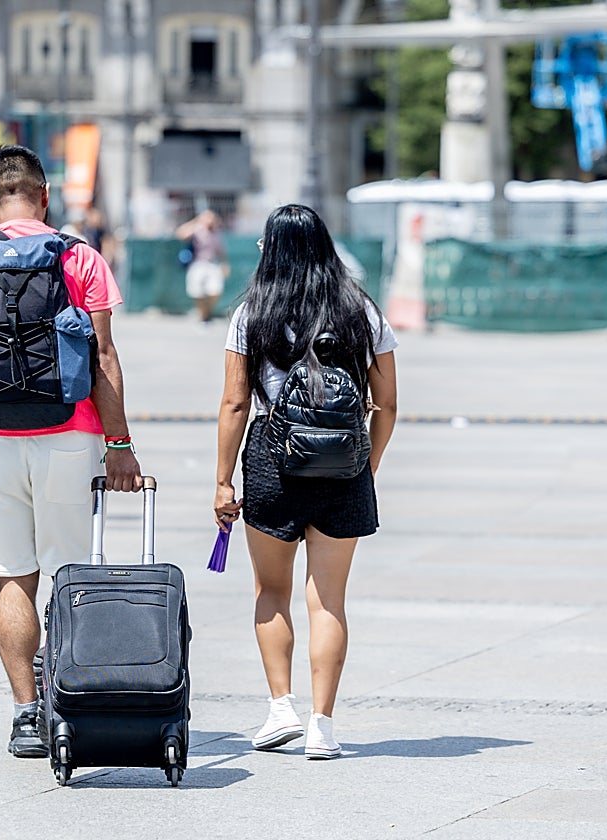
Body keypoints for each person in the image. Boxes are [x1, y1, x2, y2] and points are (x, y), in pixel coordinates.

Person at [0, 145, 143, 759]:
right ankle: (70, 703)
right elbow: (103, 359)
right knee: (72, 578)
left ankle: (25, 714)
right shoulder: (80, 258)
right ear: (46, 196)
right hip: (71, 437)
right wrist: (119, 444)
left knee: (13, 578)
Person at [213, 204, 398, 760]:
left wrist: (223, 481)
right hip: (344, 465)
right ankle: (323, 725)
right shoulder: (361, 311)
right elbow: (386, 404)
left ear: (270, 248)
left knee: (272, 591)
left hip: (273, 460)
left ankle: (280, 709)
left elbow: (234, 403)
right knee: (329, 603)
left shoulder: (253, 313)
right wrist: (368, 465)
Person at [175, 209, 228, 324]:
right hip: (198, 263)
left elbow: (221, 251)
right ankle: (203, 316)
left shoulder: (216, 233)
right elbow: (180, 233)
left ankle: (207, 312)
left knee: (215, 290)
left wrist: (224, 264)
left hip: (212, 264)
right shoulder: (197, 230)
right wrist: (197, 221)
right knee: (197, 291)